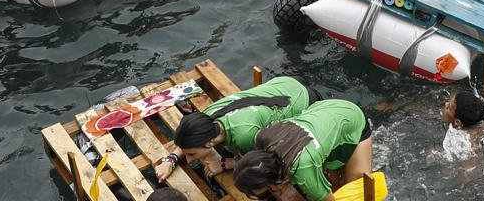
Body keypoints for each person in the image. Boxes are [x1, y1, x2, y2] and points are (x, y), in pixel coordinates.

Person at [159, 76, 312, 183]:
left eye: (192, 154)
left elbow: (267, 161)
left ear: (209, 143)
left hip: (304, 100)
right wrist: (171, 160)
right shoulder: (207, 117)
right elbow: (188, 140)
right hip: (284, 83)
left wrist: (226, 163)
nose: (189, 160)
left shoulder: (244, 136)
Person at [234, 99, 375, 201]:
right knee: (330, 182)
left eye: (266, 192)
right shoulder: (261, 138)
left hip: (351, 118)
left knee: (356, 188)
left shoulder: (301, 168)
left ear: (272, 182)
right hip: (323, 109)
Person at [441, 89, 484, 162]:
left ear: (457, 122)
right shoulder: (480, 123)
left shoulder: (464, 145)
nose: (446, 104)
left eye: (449, 108)